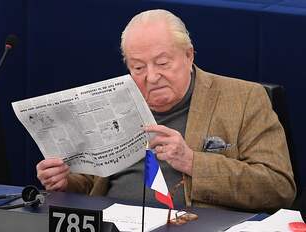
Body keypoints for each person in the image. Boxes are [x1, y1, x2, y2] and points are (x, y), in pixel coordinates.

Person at [36, 9, 296, 211]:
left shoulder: (244, 99)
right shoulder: (112, 102)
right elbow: (90, 183)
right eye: (138, 68)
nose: (151, 77)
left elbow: (278, 187)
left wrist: (193, 162)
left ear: (189, 55)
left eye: (162, 63)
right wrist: (65, 182)